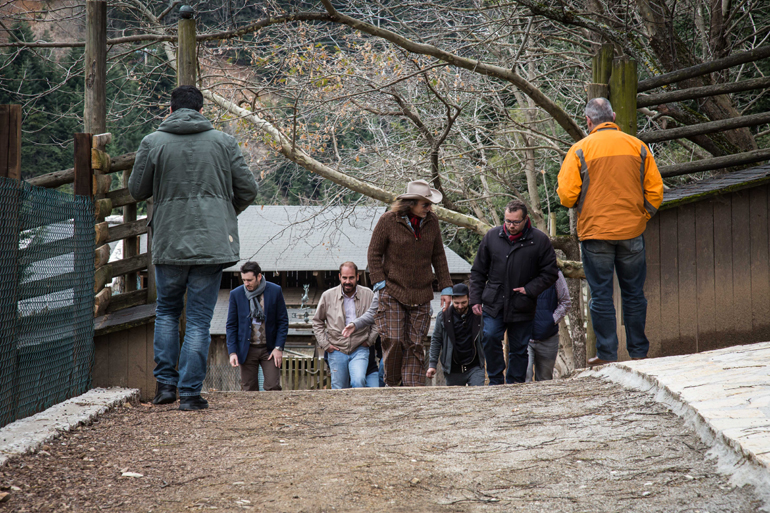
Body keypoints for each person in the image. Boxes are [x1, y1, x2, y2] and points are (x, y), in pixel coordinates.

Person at [129, 85, 258, 410]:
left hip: (169, 242)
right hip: (210, 244)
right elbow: (248, 190)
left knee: (167, 312)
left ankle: (165, 389)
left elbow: (136, 190)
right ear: (202, 111)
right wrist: (224, 214)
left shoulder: (153, 142)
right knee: (200, 318)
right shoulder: (224, 143)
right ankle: (189, 394)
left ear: (169, 111)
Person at [557, 97, 663, 365]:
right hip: (632, 232)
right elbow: (655, 191)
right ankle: (639, 351)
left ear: (588, 121)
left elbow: (567, 197)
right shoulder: (638, 147)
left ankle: (606, 355)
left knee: (601, 295)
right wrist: (642, 215)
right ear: (614, 116)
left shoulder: (579, 150)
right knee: (634, 293)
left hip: (596, 234)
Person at [367, 180, 453, 387]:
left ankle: (413, 391)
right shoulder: (388, 220)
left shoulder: (432, 222)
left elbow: (439, 255)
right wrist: (379, 283)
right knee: (394, 340)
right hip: (393, 291)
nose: (430, 208)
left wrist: (446, 288)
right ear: (411, 203)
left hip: (422, 293)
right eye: (426, 204)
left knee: (415, 344)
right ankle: (393, 385)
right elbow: (374, 253)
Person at [470, 200, 558, 385]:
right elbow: (478, 271)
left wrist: (529, 289)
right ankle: (495, 380)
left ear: (525, 219)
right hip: (494, 302)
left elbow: (550, 273)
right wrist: (475, 299)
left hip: (522, 303)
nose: (510, 225)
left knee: (519, 348)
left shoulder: (539, 240)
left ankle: (515, 384)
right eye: (507, 221)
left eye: (515, 222)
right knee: (491, 337)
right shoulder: (492, 236)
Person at [312, 262, 378, 389]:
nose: (348, 281)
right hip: (337, 348)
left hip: (360, 347)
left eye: (351, 278)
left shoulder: (368, 294)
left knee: (359, 381)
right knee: (339, 388)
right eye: (345, 278)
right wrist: (325, 344)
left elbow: (377, 319)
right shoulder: (328, 296)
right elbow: (317, 321)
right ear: (339, 277)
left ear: (357, 277)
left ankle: (358, 409)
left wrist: (369, 340)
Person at [226, 261, 288, 391]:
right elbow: (231, 325)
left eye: (249, 280)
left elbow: (282, 321)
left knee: (273, 387)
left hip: (270, 349)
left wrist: (279, 347)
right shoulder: (236, 294)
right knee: (248, 389)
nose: (246, 284)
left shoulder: (275, 291)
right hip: (247, 349)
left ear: (259, 277)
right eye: (244, 280)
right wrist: (232, 352)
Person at [427, 284, 485, 386]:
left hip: (475, 367)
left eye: (464, 303)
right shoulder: (443, 317)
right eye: (456, 303)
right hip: (453, 370)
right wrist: (432, 365)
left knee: (478, 396)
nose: (460, 306)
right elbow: (436, 340)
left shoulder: (478, 315)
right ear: (452, 299)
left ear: (469, 298)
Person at [526, 270, 571, 382]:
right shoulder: (520, 271)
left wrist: (551, 320)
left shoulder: (555, 274)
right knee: (524, 377)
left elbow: (565, 302)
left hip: (548, 337)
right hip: (524, 337)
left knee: (545, 380)